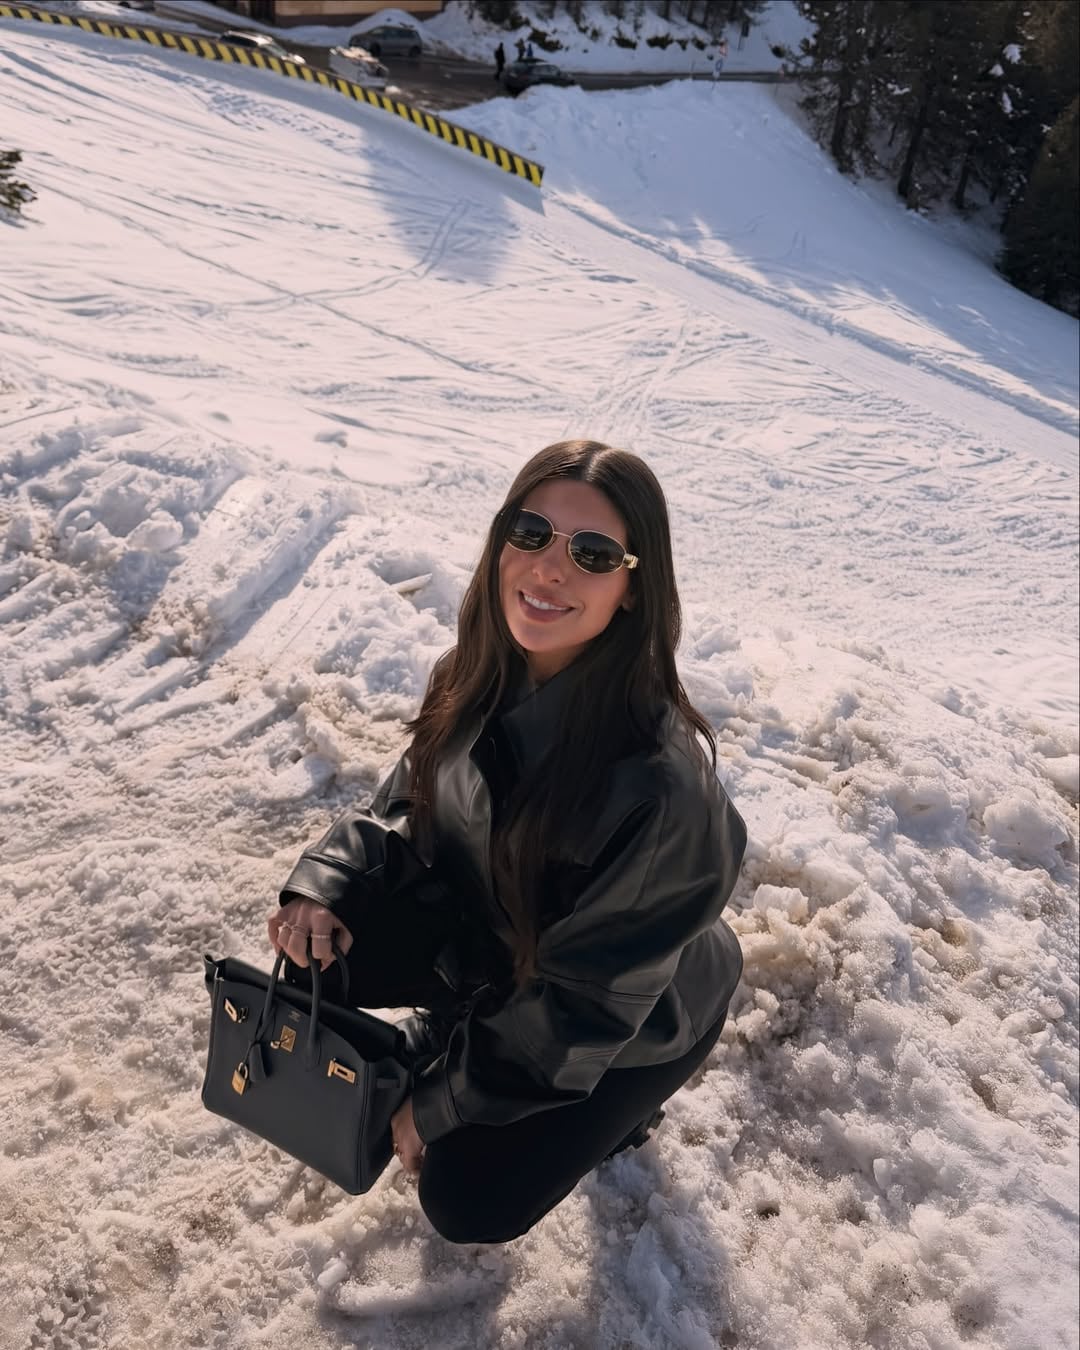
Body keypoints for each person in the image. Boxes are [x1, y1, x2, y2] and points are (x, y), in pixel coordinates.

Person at [269, 440, 746, 1246]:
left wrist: (441, 1098)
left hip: (630, 1015)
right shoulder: (479, 670)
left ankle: (612, 1114)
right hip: (506, 941)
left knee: (466, 1199)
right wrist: (331, 882)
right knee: (324, 955)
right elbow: (412, 802)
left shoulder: (664, 793)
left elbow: (582, 1009)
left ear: (634, 588)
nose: (550, 569)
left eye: (592, 553)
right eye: (531, 534)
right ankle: (472, 1033)